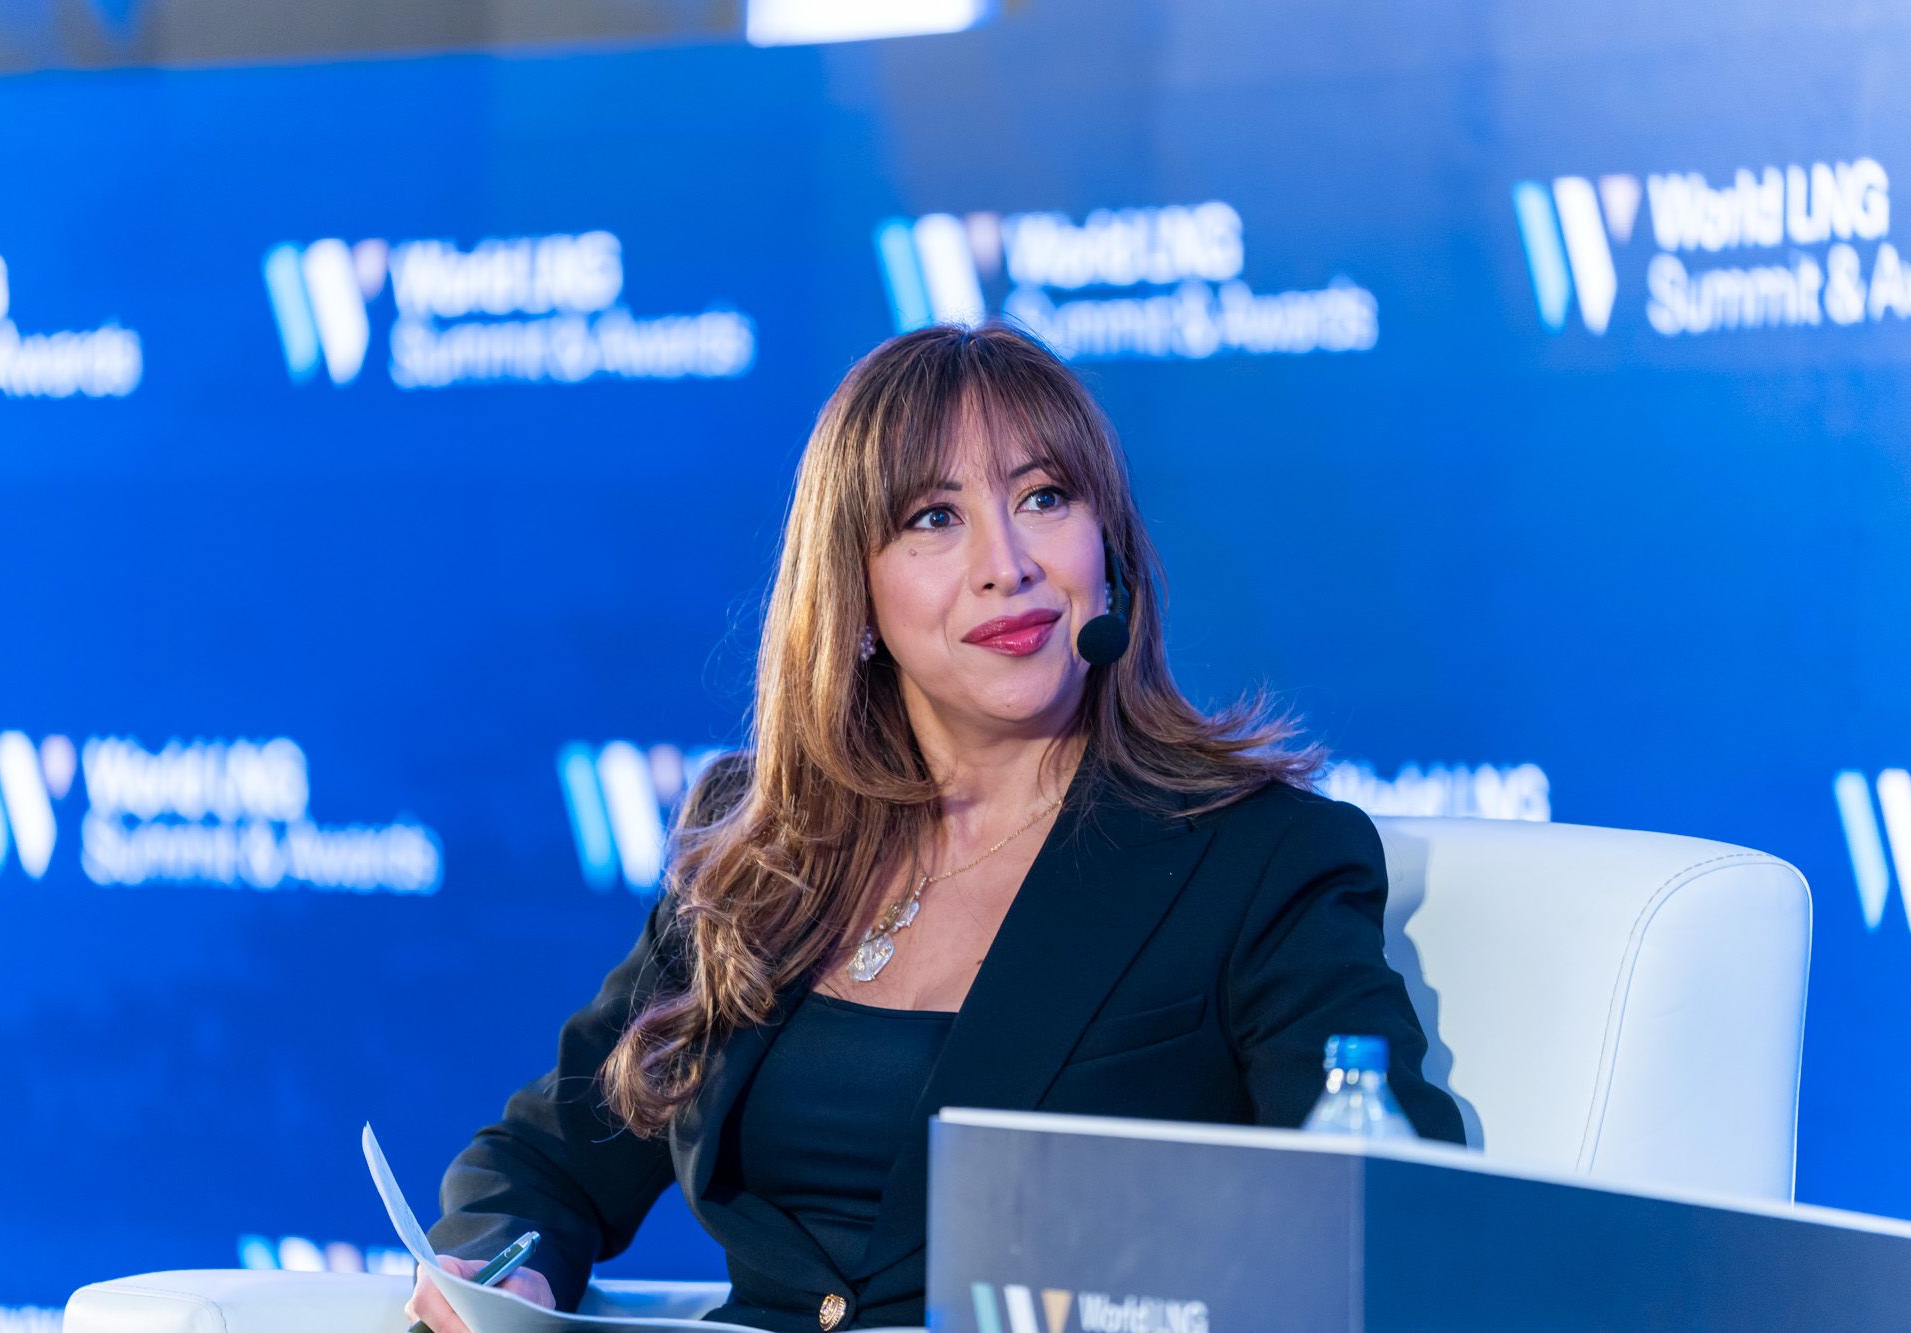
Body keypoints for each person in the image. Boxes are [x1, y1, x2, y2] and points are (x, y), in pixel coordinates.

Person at [408, 323, 1465, 1333]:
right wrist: (509, 1270)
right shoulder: (761, 847)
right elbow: (543, 1163)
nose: (1006, 563)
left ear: (1107, 549)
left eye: (1043, 497)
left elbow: (1392, 1232)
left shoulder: (1255, 856)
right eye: (932, 518)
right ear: (856, 592)